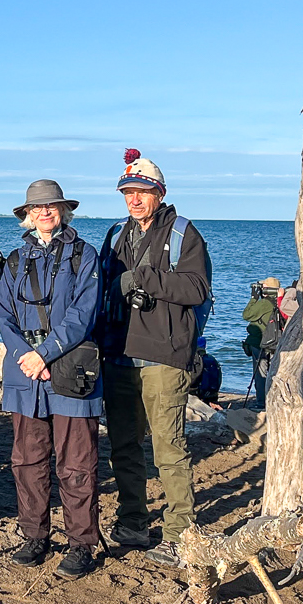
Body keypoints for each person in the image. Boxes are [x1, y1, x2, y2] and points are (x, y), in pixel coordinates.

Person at [97, 151, 211, 568]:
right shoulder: (114, 234)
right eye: (128, 192)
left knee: (169, 449)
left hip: (164, 356)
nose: (134, 199)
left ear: (159, 194)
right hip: (119, 353)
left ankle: (181, 532)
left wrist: (142, 279)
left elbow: (197, 289)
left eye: (142, 192)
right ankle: (133, 521)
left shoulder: (184, 234)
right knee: (124, 446)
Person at [0, 181, 102, 580]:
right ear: (27, 214)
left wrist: (46, 353)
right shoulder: (16, 259)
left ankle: (81, 543)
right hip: (26, 375)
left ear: (63, 210)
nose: (44, 213)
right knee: (27, 461)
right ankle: (34, 536)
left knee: (77, 463)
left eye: (51, 206)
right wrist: (26, 356)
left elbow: (84, 313)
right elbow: (2, 313)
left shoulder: (84, 256)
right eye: (36, 207)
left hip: (71, 370)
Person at [242, 277, 281, 409]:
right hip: (275, 342)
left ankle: (261, 402)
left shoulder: (264, 303)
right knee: (273, 372)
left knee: (260, 374)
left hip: (261, 342)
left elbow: (247, 315)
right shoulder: (279, 301)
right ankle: (273, 400)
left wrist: (254, 298)